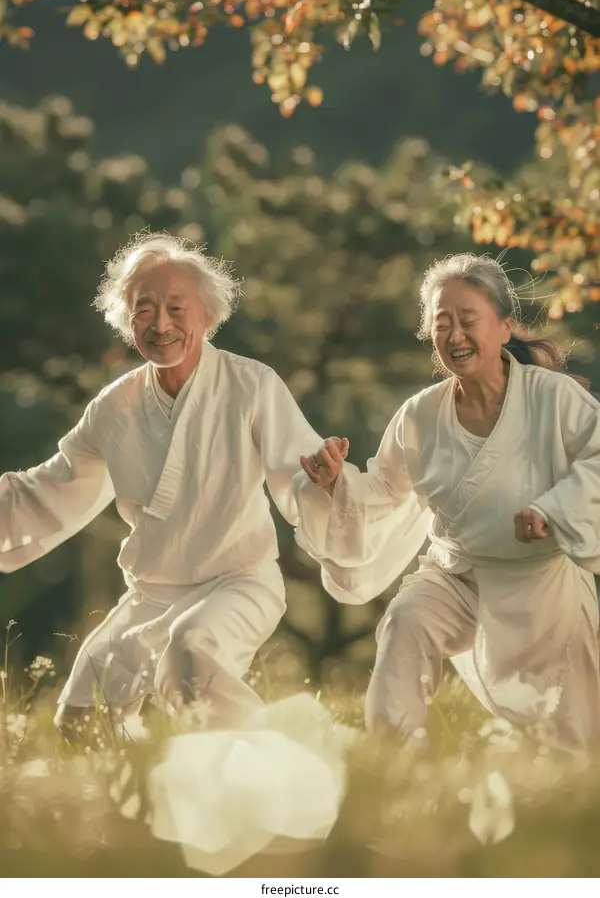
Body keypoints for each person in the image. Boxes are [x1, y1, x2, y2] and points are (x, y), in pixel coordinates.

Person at [0, 231, 326, 739]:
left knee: (189, 653)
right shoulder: (114, 407)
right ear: (127, 320)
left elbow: (300, 472)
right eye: (143, 308)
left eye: (177, 308)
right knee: (78, 723)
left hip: (237, 582)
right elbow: (49, 487)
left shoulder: (252, 385)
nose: (160, 324)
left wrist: (325, 483)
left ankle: (280, 769)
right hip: (151, 593)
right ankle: (144, 800)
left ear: (208, 316)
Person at [295, 253, 600, 751]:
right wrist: (339, 483)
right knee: (406, 620)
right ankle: (394, 756)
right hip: (457, 575)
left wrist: (555, 510)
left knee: (574, 740)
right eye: (442, 323)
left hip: (543, 585)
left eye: (468, 321)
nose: (455, 335)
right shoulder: (420, 414)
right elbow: (386, 491)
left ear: (504, 328)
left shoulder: (555, 399)